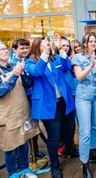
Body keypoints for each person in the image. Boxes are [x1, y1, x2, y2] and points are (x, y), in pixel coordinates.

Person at [0, 41, 39, 176]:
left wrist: (24, 75)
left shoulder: (15, 65)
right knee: (10, 147)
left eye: (6, 48)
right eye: (1, 49)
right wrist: (14, 75)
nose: (6, 51)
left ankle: (25, 171)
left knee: (23, 143)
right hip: (5, 115)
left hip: (21, 111)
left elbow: (27, 85)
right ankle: (13, 174)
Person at [25, 37, 76, 178]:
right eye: (43, 45)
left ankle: (69, 150)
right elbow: (37, 72)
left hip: (64, 102)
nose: (47, 47)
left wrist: (60, 50)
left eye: (47, 45)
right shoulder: (30, 62)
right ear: (37, 48)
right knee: (53, 137)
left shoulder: (55, 59)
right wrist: (45, 55)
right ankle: (55, 165)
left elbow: (66, 66)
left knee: (69, 130)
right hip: (48, 105)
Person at [73, 33, 96, 178]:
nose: (94, 43)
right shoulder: (78, 57)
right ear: (85, 43)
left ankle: (92, 151)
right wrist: (91, 65)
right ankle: (85, 163)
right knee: (85, 131)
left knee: (95, 126)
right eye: (91, 41)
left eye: (95, 41)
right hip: (83, 96)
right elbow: (79, 77)